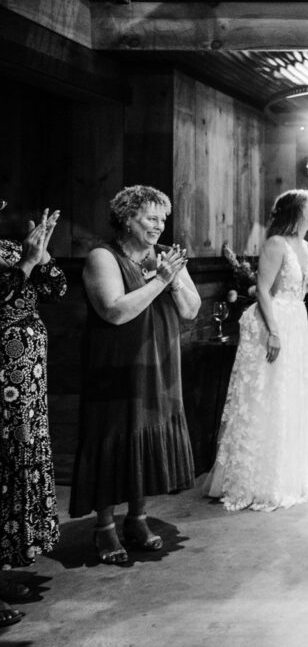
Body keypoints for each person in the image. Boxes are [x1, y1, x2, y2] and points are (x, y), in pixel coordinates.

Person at [70, 185, 201, 564]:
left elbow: (191, 309)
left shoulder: (167, 256)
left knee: (146, 432)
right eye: (151, 217)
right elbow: (114, 311)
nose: (159, 226)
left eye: (163, 219)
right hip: (115, 364)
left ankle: (138, 518)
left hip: (158, 359)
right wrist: (159, 280)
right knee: (114, 435)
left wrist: (173, 277)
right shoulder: (103, 257)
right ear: (127, 218)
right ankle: (105, 526)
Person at [205, 190, 308, 511]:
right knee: (271, 393)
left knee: (296, 393)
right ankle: (258, 476)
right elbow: (263, 292)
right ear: (298, 213)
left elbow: (293, 291)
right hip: (273, 323)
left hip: (296, 321)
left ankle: (295, 468)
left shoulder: (304, 246)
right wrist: (273, 332)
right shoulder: (275, 244)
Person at [0, 203, 65, 627]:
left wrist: (40, 256)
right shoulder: (12, 256)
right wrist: (25, 261)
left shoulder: (8, 248)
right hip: (4, 380)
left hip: (27, 383)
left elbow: (57, 288)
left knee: (18, 468)